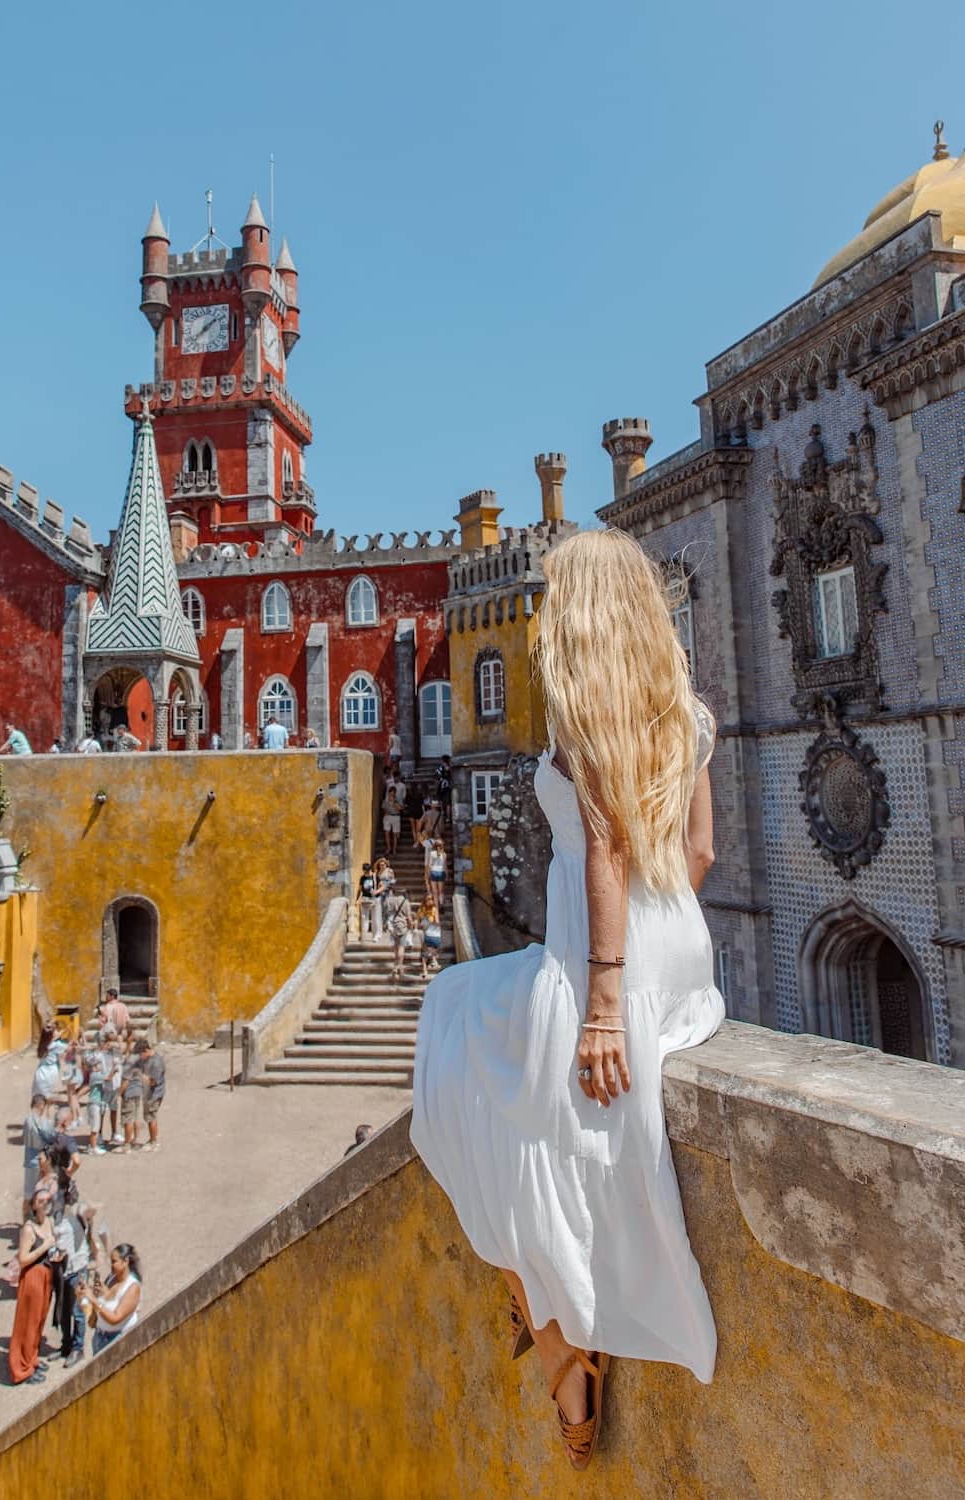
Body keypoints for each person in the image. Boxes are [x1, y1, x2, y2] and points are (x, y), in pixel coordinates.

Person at [411, 528, 723, 1470]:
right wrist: (662, 943)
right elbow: (700, 852)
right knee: (509, 1067)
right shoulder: (684, 710)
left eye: (555, 599)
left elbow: (604, 854)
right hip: (679, 949)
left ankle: (555, 1335)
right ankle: (546, 1314)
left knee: (454, 1027)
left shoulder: (586, 714)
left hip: (602, 959)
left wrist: (600, 1000)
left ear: (582, 612)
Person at [8, 1188, 57, 1385]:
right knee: (27, 1322)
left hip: (47, 1274)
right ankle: (22, 1369)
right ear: (34, 1205)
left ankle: (31, 1358)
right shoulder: (29, 1229)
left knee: (38, 1321)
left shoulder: (50, 1222)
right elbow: (23, 1259)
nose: (45, 1203)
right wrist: (44, 1246)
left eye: (47, 1200)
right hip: (33, 1277)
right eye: (41, 1200)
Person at [53, 1182, 96, 1368]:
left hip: (77, 1267)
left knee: (77, 1311)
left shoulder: (78, 1211)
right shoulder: (54, 1215)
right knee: (63, 1309)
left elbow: (92, 1214)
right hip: (61, 1268)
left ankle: (78, 1348)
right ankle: (66, 1344)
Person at [80, 1243, 143, 1355]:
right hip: (100, 1338)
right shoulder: (112, 1278)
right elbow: (110, 1299)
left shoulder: (133, 1287)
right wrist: (99, 1293)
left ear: (126, 1261)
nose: (111, 1265)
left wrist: (93, 1300)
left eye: (114, 1261)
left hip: (118, 1341)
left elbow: (115, 1318)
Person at [22, 1094, 59, 1217]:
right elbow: (52, 1137)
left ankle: (26, 1222)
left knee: (28, 1195)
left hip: (30, 1162)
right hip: (44, 1162)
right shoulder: (43, 1122)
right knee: (45, 1192)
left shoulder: (27, 1120)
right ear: (41, 1105)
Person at [383, 886, 415, 985]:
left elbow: (385, 913)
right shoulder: (405, 902)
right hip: (402, 926)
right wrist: (411, 926)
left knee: (396, 947)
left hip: (392, 925)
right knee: (401, 947)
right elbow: (409, 917)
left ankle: (395, 965)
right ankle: (398, 966)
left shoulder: (389, 900)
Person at [138, 1041, 166, 1152]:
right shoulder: (149, 1059)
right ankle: (152, 1140)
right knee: (149, 1117)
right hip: (149, 1093)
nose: (140, 1057)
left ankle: (154, 1142)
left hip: (154, 1094)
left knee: (151, 1117)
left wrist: (140, 1076)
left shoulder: (156, 1062)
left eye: (141, 1054)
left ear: (146, 1051)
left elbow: (153, 1082)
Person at [83, 1045, 109, 1156]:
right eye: (99, 1064)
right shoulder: (95, 1075)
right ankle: (93, 1148)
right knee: (95, 1128)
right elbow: (108, 1078)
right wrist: (115, 1069)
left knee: (95, 1126)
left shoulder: (95, 1074)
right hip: (94, 1104)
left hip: (96, 1103)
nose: (100, 1066)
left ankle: (93, 1146)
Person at [417, 897, 442, 980]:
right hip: (425, 933)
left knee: (428, 950)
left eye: (431, 899)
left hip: (431, 933)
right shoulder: (421, 910)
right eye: (429, 899)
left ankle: (432, 961)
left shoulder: (434, 909)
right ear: (425, 901)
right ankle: (425, 968)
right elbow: (418, 922)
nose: (430, 901)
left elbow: (437, 921)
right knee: (425, 951)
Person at [371, 858, 393, 945]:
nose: (382, 866)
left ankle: (388, 924)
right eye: (380, 864)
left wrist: (389, 884)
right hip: (380, 892)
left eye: (383, 864)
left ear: (386, 864)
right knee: (382, 908)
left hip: (387, 891)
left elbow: (393, 880)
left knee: (388, 906)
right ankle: (384, 925)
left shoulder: (389, 871)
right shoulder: (377, 872)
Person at [425, 837, 448, 917]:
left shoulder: (432, 853)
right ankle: (441, 903)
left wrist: (428, 875)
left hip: (434, 872)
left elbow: (430, 865)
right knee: (441, 891)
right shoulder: (444, 854)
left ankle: (436, 907)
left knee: (434, 891)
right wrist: (446, 874)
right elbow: (445, 866)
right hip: (441, 872)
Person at [381, 778, 404, 856]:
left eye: (393, 792)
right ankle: (388, 848)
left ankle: (394, 849)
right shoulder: (386, 800)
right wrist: (385, 812)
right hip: (387, 817)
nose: (391, 794)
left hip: (396, 817)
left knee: (394, 834)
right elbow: (383, 808)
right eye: (390, 792)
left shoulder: (398, 800)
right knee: (386, 833)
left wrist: (394, 802)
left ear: (395, 793)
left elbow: (400, 809)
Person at [356, 862, 377, 941]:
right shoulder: (362, 878)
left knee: (375, 918)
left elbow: (377, 888)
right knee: (364, 917)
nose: (366, 873)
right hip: (365, 899)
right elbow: (360, 890)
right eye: (364, 871)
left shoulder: (374, 877)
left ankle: (375, 936)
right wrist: (357, 899)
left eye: (367, 871)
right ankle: (364, 935)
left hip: (373, 899)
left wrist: (375, 898)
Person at [405, 781, 425, 847]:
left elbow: (406, 803)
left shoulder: (408, 794)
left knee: (413, 828)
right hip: (418, 812)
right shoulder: (420, 794)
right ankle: (417, 842)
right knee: (418, 829)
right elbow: (422, 805)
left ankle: (415, 841)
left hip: (411, 812)